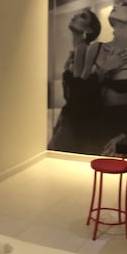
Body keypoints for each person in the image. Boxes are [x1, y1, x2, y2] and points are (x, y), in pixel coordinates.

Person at [78, 0, 127, 155]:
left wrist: (126, 135)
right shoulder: (95, 49)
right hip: (90, 125)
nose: (116, 5)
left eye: (125, 5)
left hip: (120, 129)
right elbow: (80, 94)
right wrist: (105, 69)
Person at [47, 9, 101, 152]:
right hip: (70, 112)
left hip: (76, 115)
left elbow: (79, 87)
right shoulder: (76, 50)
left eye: (83, 16)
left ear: (88, 30)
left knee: (55, 150)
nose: (75, 16)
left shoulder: (82, 49)